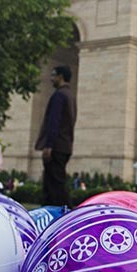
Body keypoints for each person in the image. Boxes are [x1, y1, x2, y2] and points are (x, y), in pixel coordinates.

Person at [35, 65, 77, 206]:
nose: (51, 79)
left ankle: (64, 215)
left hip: (56, 146)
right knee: (57, 183)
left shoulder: (59, 95)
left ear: (60, 76)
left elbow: (54, 122)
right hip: (65, 145)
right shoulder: (70, 96)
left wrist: (49, 145)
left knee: (53, 186)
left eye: (53, 75)